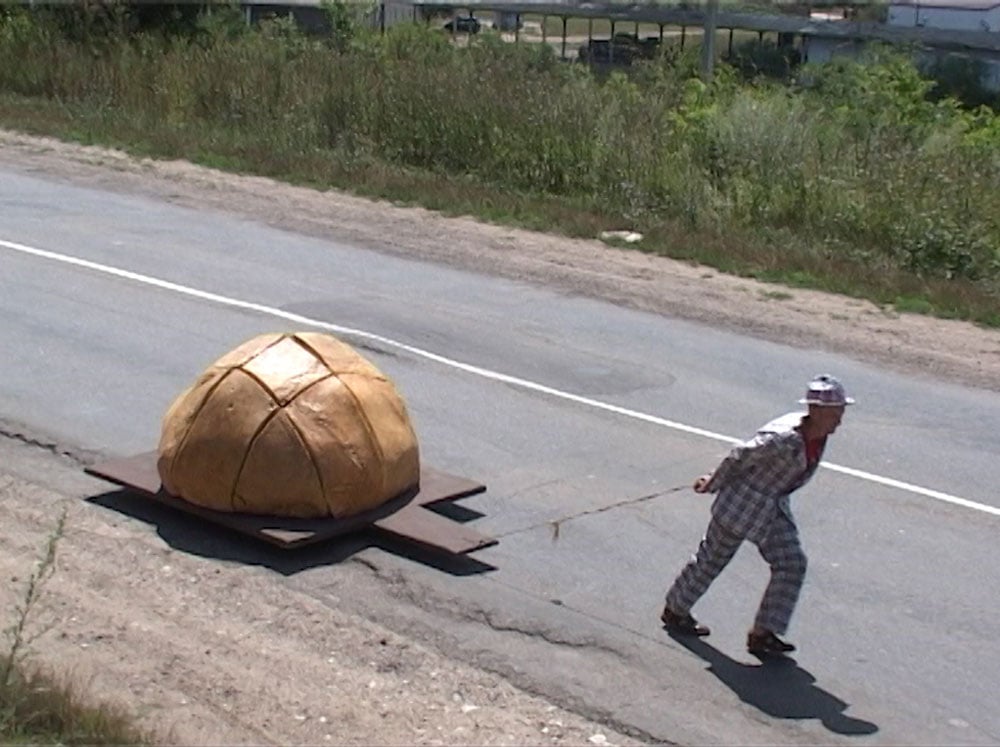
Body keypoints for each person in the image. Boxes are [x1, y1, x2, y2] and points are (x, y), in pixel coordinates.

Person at [660, 374, 854, 655]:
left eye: (841, 412)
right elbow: (740, 455)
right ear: (817, 411)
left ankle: (763, 634)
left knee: (792, 563)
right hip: (740, 505)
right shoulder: (784, 439)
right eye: (836, 413)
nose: (840, 419)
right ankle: (675, 610)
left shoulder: (819, 435)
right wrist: (712, 482)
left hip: (772, 509)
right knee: (712, 559)